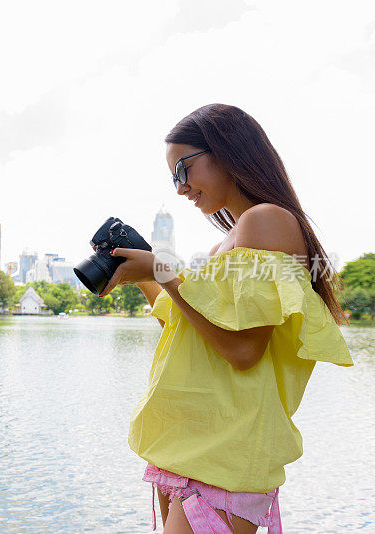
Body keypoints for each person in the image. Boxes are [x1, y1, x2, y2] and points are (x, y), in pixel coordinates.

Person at [100, 104, 354, 533]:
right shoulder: (230, 240)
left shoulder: (266, 220)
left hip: (225, 456)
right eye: (173, 177)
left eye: (184, 169)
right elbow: (198, 333)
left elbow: (243, 350)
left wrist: (162, 270)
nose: (181, 188)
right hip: (193, 449)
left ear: (227, 150)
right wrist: (144, 278)